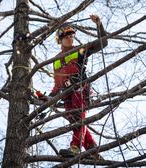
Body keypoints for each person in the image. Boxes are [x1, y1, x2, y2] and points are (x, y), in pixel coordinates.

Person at [49, 15, 108, 159]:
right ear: (60, 39)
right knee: (75, 120)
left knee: (78, 117)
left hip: (80, 87)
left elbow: (103, 42)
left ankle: (75, 147)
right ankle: (92, 150)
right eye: (66, 36)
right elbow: (57, 84)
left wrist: (99, 24)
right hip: (66, 93)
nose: (70, 38)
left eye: (72, 35)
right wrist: (48, 98)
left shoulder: (81, 49)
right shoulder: (56, 60)